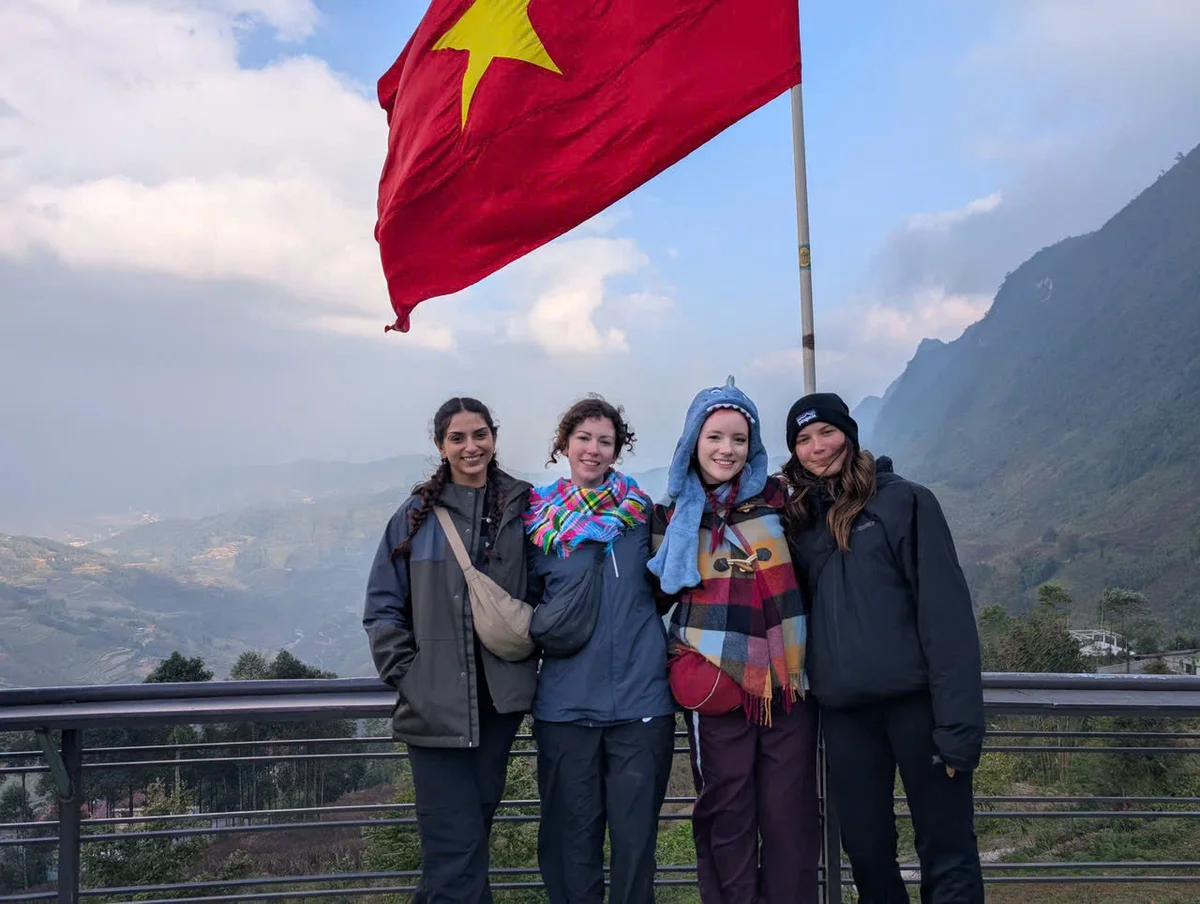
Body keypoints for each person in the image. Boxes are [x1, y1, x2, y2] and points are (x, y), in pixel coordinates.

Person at [780, 392, 985, 904]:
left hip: (919, 709)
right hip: (847, 717)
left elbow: (947, 617)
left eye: (826, 432)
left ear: (848, 435)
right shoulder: (800, 524)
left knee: (947, 850)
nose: (816, 447)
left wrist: (959, 728)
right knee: (868, 854)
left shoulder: (905, 502)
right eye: (803, 440)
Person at [648, 378, 820, 903]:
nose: (727, 450)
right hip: (717, 686)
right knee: (727, 813)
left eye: (739, 440)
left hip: (788, 685)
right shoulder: (670, 517)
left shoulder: (784, 502)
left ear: (754, 444)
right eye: (715, 438)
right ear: (692, 442)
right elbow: (648, 602)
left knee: (791, 816)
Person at [363, 397, 537, 903]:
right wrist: (410, 677)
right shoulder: (415, 518)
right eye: (457, 438)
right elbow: (382, 608)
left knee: (468, 844)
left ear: (494, 437)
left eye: (479, 434)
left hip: (499, 704)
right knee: (454, 847)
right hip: (434, 710)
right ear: (441, 446)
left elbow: (544, 592)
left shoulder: (522, 510)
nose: (470, 446)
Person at [524, 396, 676, 904]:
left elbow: (673, 585)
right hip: (565, 708)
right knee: (571, 845)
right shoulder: (536, 522)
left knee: (636, 848)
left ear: (618, 450)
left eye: (604, 441)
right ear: (563, 444)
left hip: (640, 706)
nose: (593, 449)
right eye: (583, 438)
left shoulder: (643, 517)